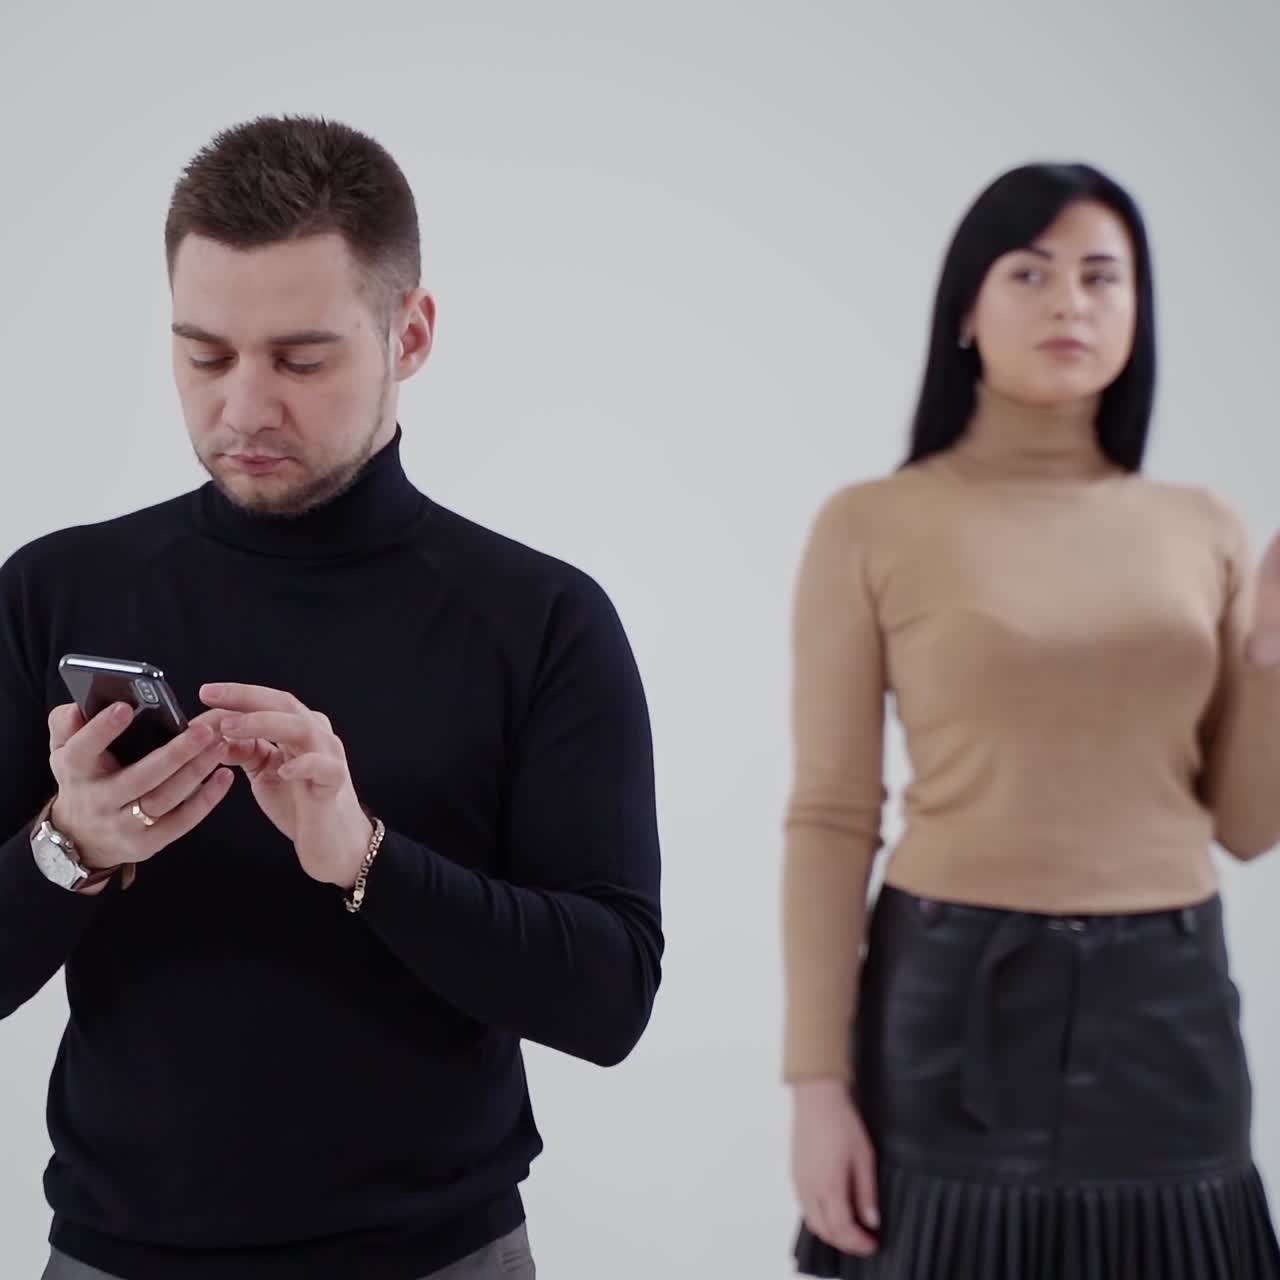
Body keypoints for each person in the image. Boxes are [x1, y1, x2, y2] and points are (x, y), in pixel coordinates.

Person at [0, 114, 663, 1280]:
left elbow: (608, 998)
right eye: (204, 354)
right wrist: (71, 846)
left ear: (410, 335)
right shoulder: (56, 589)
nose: (244, 407)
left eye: (300, 359)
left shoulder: (540, 619)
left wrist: (364, 855)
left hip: (439, 1258)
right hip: (113, 1258)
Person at [782, 161, 1280, 1278]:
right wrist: (816, 1085)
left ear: (1137, 312)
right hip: (950, 995)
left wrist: (1273, 654)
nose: (1069, 301)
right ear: (965, 307)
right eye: (1029, 271)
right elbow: (827, 811)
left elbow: (1242, 824)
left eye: (1102, 275)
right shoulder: (872, 522)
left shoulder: (1200, 524)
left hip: (1170, 1006)